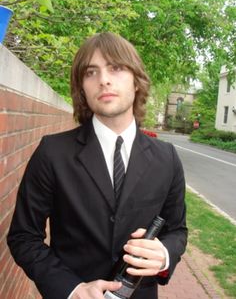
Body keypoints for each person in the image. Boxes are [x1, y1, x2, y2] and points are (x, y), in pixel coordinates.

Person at [7, 32, 187, 299]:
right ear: (82, 88)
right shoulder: (52, 152)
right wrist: (71, 288)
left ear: (137, 81)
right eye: (91, 72)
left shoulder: (167, 157)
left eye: (115, 68)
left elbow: (177, 231)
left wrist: (163, 255)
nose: (104, 79)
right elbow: (23, 237)